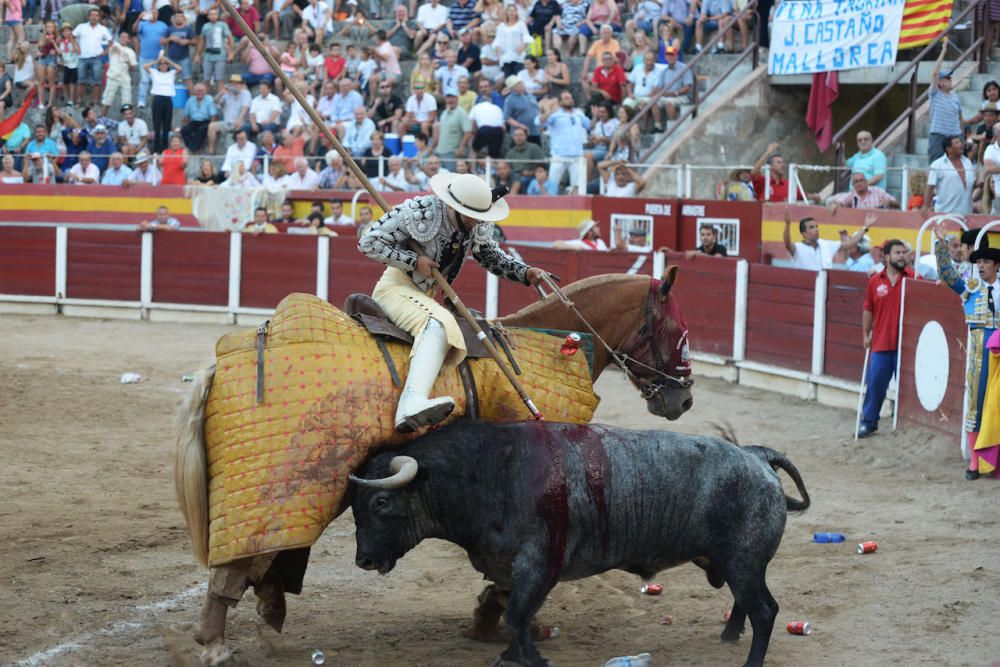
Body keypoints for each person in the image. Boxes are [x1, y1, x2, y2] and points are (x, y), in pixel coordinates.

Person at [358, 173, 545, 432]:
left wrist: (524, 272)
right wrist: (414, 261)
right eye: (471, 216)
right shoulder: (419, 211)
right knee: (438, 324)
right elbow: (368, 242)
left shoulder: (476, 221)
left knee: (443, 321)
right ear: (454, 206)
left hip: (423, 296)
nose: (477, 221)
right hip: (395, 290)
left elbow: (490, 256)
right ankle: (411, 403)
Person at [933, 221, 1000, 479]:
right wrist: (941, 244)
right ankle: (975, 463)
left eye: (985, 262)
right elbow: (948, 275)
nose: (980, 265)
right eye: (978, 261)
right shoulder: (970, 288)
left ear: (996, 265)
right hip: (979, 351)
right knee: (976, 404)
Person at [856, 239, 913, 439]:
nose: (902, 256)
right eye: (898, 252)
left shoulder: (913, 278)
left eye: (904, 252)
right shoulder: (875, 281)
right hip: (881, 341)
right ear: (887, 257)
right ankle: (869, 422)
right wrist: (865, 334)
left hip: (906, 345)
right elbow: (867, 309)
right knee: (875, 384)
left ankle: (909, 425)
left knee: (908, 386)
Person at [783, 208, 875, 270]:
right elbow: (787, 243)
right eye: (811, 227)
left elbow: (851, 242)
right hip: (806, 288)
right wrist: (787, 224)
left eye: (816, 226)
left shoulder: (826, 245)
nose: (816, 229)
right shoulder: (798, 247)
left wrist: (865, 226)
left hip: (824, 289)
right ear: (804, 233)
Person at [539, 91, 590, 194]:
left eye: (570, 97)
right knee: (552, 185)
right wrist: (547, 111)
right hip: (559, 155)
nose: (570, 100)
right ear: (560, 102)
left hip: (577, 155)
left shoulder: (579, 113)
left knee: (577, 187)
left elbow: (588, 125)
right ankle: (549, 208)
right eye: (566, 98)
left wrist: (596, 117)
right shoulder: (555, 115)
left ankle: (577, 209)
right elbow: (539, 122)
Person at [928, 38, 966, 164]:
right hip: (939, 135)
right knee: (935, 164)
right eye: (947, 78)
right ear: (940, 82)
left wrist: (961, 135)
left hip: (955, 135)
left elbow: (960, 117)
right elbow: (934, 74)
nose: (950, 80)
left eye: (950, 78)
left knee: (958, 164)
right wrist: (943, 50)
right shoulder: (935, 93)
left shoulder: (955, 96)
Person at [923, 135, 975, 216]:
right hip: (945, 214)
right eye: (957, 143)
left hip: (967, 214)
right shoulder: (937, 165)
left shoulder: (968, 162)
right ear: (949, 149)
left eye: (960, 142)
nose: (961, 144)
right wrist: (926, 206)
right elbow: (930, 186)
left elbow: (972, 184)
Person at [828, 172, 900, 210]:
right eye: (856, 182)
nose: (859, 183)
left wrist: (889, 202)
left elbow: (897, 204)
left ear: (866, 182)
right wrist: (834, 204)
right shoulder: (851, 195)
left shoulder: (878, 191)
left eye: (861, 180)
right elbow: (839, 201)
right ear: (853, 185)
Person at [181, 83, 218, 152]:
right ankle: (192, 148)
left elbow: (214, 116)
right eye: (198, 91)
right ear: (195, 91)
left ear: (205, 91)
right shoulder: (190, 100)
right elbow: (186, 116)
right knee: (184, 130)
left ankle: (191, 150)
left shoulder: (209, 99)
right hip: (194, 121)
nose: (200, 92)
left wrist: (211, 126)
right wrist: (184, 126)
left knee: (201, 129)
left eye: (202, 90)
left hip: (206, 121)